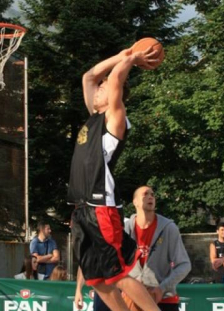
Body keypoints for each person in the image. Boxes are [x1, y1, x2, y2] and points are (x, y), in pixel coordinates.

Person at [67, 46, 162, 311]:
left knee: (118, 273)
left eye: (104, 87)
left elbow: (117, 77)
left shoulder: (115, 117)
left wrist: (132, 59)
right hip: (82, 208)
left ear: (115, 96)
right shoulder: (94, 116)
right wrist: (122, 55)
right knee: (97, 280)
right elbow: (88, 76)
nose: (98, 88)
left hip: (102, 206)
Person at [75, 185, 191, 311]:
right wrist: (78, 290)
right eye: (145, 194)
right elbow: (92, 258)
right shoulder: (123, 229)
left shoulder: (169, 228)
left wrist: (162, 288)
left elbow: (184, 265)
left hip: (163, 298)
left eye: (152, 194)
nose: (150, 197)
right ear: (135, 202)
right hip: (132, 298)